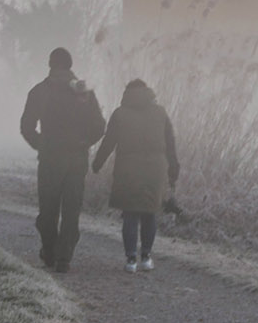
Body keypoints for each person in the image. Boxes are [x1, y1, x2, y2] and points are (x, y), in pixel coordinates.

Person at [20, 47, 105, 273]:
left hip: (50, 158)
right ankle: (64, 257)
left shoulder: (39, 91)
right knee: (71, 208)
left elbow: (26, 127)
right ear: (70, 65)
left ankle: (49, 251)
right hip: (77, 159)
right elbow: (99, 126)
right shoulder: (84, 91)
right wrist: (85, 143)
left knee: (47, 209)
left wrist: (42, 145)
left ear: (51, 65)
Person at [91, 78, 179, 273]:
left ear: (127, 93)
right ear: (148, 91)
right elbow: (170, 143)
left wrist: (97, 163)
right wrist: (174, 169)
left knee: (130, 214)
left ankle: (131, 259)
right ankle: (146, 257)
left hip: (127, 169)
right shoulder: (160, 113)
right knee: (149, 213)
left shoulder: (120, 114)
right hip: (155, 170)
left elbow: (108, 142)